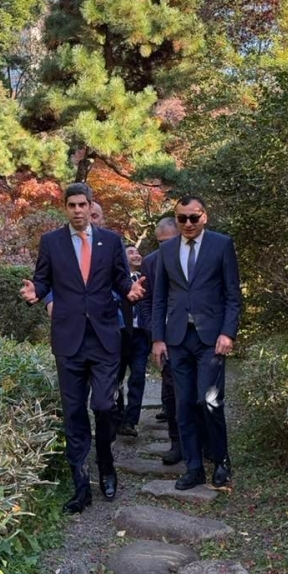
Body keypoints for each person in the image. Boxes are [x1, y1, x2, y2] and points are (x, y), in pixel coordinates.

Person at [20, 183, 145, 514]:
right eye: (71, 205)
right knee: (74, 413)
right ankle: (80, 486)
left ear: (91, 206)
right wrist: (35, 293)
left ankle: (106, 463)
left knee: (103, 406)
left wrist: (130, 291)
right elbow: (43, 280)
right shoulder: (51, 242)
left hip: (105, 337)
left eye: (82, 205)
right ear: (65, 207)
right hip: (69, 339)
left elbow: (121, 279)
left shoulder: (111, 241)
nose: (77, 210)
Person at [151, 195, 242, 490]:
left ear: (204, 216)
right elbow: (159, 298)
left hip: (210, 338)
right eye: (182, 218)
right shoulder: (166, 250)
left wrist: (228, 333)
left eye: (193, 217)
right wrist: (158, 338)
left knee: (209, 401)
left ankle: (221, 461)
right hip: (177, 338)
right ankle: (193, 468)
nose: (188, 223)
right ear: (176, 219)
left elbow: (233, 295)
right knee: (184, 405)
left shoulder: (221, 245)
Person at [137, 217, 182, 464]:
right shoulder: (151, 261)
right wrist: (153, 331)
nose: (166, 246)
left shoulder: (193, 258)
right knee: (171, 391)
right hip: (164, 336)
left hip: (193, 333)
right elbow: (145, 301)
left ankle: (202, 441)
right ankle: (176, 443)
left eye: (170, 241)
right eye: (161, 242)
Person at [116, 245, 150, 438]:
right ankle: (118, 417)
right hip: (120, 335)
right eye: (131, 253)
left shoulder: (147, 279)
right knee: (116, 378)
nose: (136, 255)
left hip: (141, 336)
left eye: (138, 252)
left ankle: (130, 421)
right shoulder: (117, 280)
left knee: (138, 377)